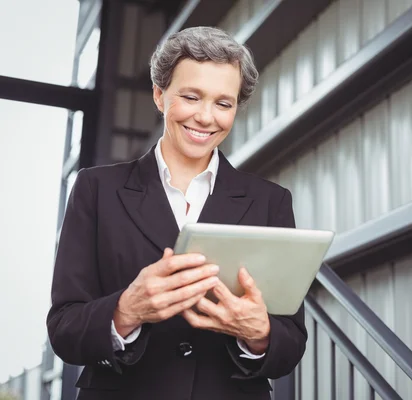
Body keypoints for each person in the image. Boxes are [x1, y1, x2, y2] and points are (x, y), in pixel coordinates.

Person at [46, 26, 307, 400]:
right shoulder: (96, 189)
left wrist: (259, 333)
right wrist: (125, 310)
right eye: (190, 96)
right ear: (159, 94)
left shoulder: (271, 201)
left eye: (223, 103)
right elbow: (64, 329)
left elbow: (291, 342)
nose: (205, 117)